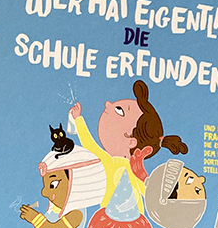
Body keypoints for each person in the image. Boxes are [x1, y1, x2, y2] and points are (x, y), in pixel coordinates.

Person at [68, 80, 188, 215]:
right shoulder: (131, 169)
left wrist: (78, 120)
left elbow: (90, 145)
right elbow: (147, 193)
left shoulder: (114, 164)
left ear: (131, 142)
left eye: (119, 111)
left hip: (115, 219)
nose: (107, 104)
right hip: (132, 220)